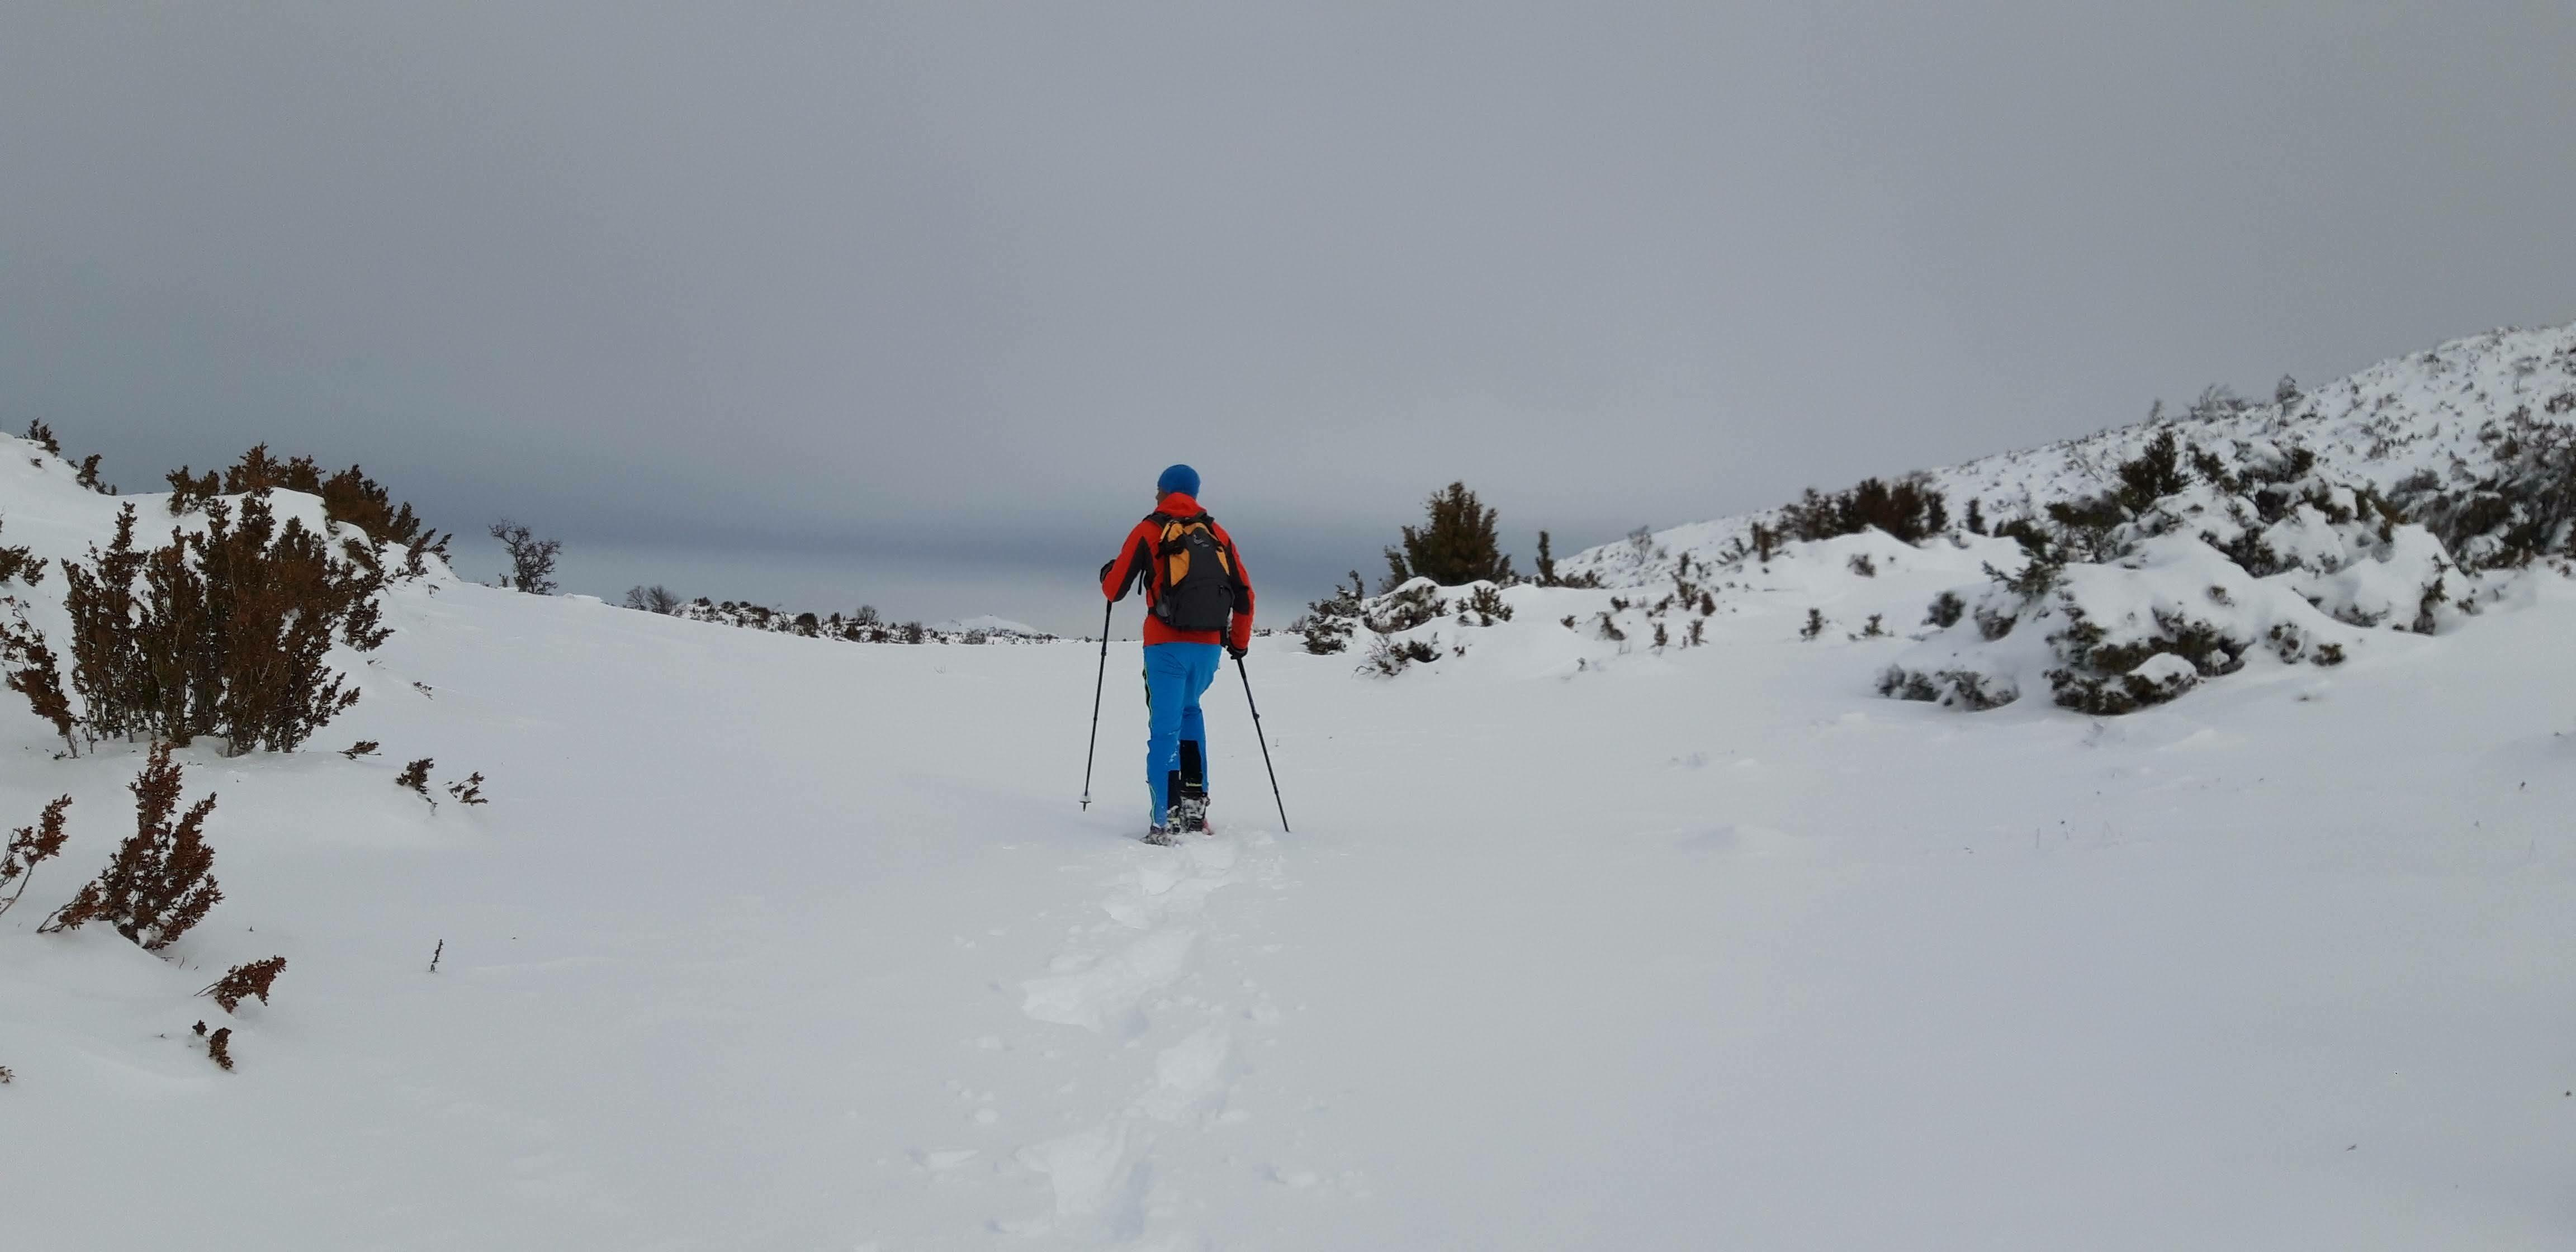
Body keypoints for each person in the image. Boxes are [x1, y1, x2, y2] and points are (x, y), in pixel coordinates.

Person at [1101, 463, 1256, 844]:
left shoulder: (1149, 529)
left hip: (1165, 646)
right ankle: (1194, 807)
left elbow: (1114, 590)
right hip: (1208, 648)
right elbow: (1245, 595)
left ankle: (1163, 821)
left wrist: (1107, 573)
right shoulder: (1217, 533)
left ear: (1164, 490)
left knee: (1164, 728)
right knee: (1191, 712)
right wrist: (1238, 642)